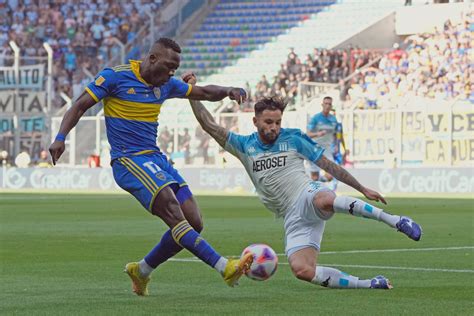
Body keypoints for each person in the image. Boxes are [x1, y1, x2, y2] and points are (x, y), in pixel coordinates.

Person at [48, 38, 253, 296]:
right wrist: (60, 138)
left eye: (175, 69)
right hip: (129, 159)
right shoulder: (115, 77)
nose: (171, 73)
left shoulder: (165, 85)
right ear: (152, 59)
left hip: (155, 159)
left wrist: (228, 90)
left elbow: (204, 92)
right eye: (168, 66)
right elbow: (79, 106)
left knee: (194, 221)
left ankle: (141, 270)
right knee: (171, 207)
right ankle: (224, 266)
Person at [184, 73, 422, 289]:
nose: (274, 127)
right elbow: (209, 125)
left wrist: (361, 188)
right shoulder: (243, 145)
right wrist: (192, 93)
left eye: (278, 122)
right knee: (303, 270)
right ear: (255, 122)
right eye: (268, 122)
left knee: (325, 199)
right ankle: (370, 284)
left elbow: (326, 164)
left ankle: (395, 220)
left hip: (306, 193)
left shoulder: (294, 138)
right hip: (292, 216)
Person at [306, 96, 340, 190]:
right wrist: (318, 133)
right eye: (326, 103)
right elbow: (308, 134)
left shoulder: (333, 119)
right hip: (315, 149)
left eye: (329, 104)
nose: (328, 106)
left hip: (327, 150)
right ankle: (312, 193)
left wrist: (336, 146)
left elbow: (335, 134)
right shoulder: (315, 118)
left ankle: (315, 182)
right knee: (314, 176)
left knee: (331, 175)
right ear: (322, 105)